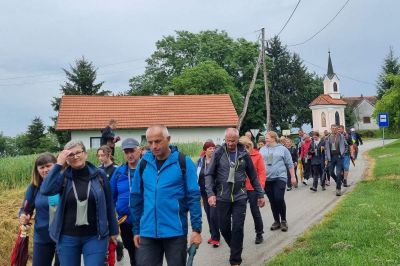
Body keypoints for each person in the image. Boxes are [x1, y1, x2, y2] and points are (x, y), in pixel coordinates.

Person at [130, 125, 202, 266]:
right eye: (150, 143)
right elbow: (136, 197)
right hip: (148, 232)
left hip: (175, 231)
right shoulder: (144, 163)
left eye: (158, 141)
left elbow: (193, 196)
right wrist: (137, 229)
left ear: (168, 139)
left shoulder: (183, 162)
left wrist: (196, 229)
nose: (154, 146)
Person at [40, 140, 119, 266]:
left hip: (95, 236)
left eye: (78, 152)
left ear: (85, 154)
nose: (75, 156)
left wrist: (114, 230)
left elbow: (109, 203)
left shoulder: (100, 175)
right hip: (67, 237)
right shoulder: (63, 177)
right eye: (71, 154)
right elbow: (45, 190)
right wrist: (59, 164)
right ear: (66, 158)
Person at [205, 128, 265, 266]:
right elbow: (209, 174)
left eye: (233, 141)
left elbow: (253, 175)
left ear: (238, 139)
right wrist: (210, 194)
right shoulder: (219, 152)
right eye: (227, 140)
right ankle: (236, 247)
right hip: (222, 197)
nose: (230, 143)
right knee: (224, 228)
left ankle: (235, 260)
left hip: (240, 196)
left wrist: (260, 194)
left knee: (238, 227)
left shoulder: (244, 153)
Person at [18, 153, 60, 266]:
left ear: (56, 166)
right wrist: (23, 216)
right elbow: (25, 209)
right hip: (42, 236)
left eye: (48, 166)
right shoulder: (34, 187)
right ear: (37, 170)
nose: (45, 170)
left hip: (63, 236)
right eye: (41, 167)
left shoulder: (64, 183)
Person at [111, 138, 141, 266]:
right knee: (133, 255)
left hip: (145, 220)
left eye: (132, 151)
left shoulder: (147, 169)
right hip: (126, 221)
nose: (130, 155)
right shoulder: (119, 172)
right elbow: (111, 197)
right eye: (126, 152)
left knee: (147, 255)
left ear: (139, 150)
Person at [260, 131, 297, 232]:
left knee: (279, 199)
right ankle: (276, 221)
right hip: (267, 179)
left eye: (267, 137)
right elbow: (259, 165)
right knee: (272, 201)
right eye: (265, 137)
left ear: (273, 138)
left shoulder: (282, 149)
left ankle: (283, 220)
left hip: (280, 177)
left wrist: (293, 177)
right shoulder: (262, 149)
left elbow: (289, 164)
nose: (265, 139)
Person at [96, 145, 124, 263]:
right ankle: (117, 245)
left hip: (114, 205)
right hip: (102, 205)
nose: (100, 158)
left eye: (102, 155)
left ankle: (117, 245)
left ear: (109, 154)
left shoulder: (116, 169)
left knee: (112, 231)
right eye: (99, 156)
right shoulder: (97, 170)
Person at [239, 136, 266, 244]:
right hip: (240, 188)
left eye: (246, 146)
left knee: (255, 211)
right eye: (242, 147)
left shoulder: (257, 155)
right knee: (239, 213)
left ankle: (259, 233)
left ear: (250, 146)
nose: (244, 149)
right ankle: (237, 235)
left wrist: (261, 190)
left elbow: (261, 173)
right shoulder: (237, 156)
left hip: (253, 188)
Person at [196, 140, 220, 247]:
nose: (212, 150)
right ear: (205, 150)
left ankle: (216, 238)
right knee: (208, 214)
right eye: (210, 148)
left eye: (213, 148)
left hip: (215, 192)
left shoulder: (217, 161)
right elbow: (196, 174)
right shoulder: (200, 161)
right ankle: (213, 235)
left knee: (214, 215)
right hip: (203, 191)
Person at [325, 124, 346, 196]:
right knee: (330, 172)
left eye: (335, 128)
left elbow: (346, 146)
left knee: (338, 172)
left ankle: (338, 189)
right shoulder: (328, 137)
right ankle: (338, 181)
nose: (334, 130)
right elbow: (326, 149)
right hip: (331, 157)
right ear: (331, 129)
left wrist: (342, 154)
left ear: (337, 129)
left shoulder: (341, 136)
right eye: (332, 128)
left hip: (339, 157)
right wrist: (326, 158)